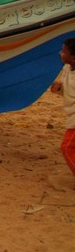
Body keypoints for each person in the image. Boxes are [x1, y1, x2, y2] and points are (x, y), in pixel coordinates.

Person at [48, 37, 75, 179]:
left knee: (67, 147)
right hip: (71, 115)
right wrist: (59, 90)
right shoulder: (66, 69)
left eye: (64, 52)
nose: (60, 53)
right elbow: (69, 93)